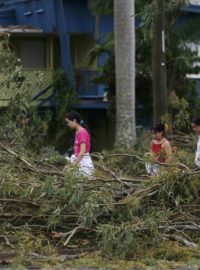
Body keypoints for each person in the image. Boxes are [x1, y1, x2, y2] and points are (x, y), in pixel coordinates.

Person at [65, 111, 94, 176]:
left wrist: (72, 165)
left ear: (74, 120)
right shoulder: (77, 132)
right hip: (79, 162)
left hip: (84, 164)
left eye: (68, 122)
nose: (68, 125)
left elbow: (82, 152)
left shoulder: (82, 133)